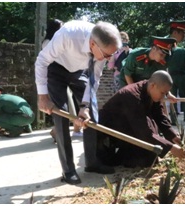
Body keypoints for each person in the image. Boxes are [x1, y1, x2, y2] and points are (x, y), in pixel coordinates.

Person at [35, 20, 122, 185]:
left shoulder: (104, 49)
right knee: (60, 115)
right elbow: (41, 61)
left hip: (80, 70)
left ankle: (92, 162)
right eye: (106, 55)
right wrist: (43, 96)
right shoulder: (68, 34)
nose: (109, 59)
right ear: (92, 44)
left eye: (112, 55)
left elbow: (94, 78)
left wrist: (85, 106)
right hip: (55, 68)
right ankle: (68, 170)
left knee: (92, 115)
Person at [81, 70, 185, 168]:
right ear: (153, 85)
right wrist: (170, 147)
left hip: (129, 127)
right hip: (110, 135)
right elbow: (144, 133)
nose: (163, 97)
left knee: (150, 156)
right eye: (163, 93)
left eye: (166, 93)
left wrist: (171, 135)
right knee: (145, 157)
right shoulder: (132, 96)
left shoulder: (150, 90)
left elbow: (159, 116)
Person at [41, 19, 83, 141]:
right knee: (63, 107)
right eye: (61, 26)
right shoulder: (48, 43)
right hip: (57, 78)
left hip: (67, 76)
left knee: (70, 106)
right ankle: (58, 132)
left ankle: (63, 131)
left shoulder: (59, 40)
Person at [167, 19, 185, 124]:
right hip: (181, 77)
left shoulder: (165, 46)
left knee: (172, 99)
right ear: (175, 32)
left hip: (169, 77)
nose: (184, 36)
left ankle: (173, 120)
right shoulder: (182, 50)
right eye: (183, 34)